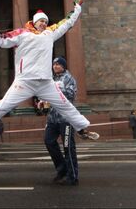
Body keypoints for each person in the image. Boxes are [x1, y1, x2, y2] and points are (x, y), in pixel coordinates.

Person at [0, 0, 99, 143]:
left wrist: (77, 9)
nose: (44, 24)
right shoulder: (22, 34)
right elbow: (1, 41)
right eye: (41, 21)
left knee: (65, 105)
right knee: (1, 107)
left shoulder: (50, 34)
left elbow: (67, 23)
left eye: (45, 21)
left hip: (46, 82)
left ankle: (82, 130)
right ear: (34, 22)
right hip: (24, 82)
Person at [44, 57, 80, 186]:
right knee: (48, 141)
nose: (55, 66)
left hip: (66, 119)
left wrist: (56, 90)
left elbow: (71, 94)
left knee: (68, 147)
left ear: (64, 66)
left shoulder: (69, 78)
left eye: (58, 64)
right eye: (54, 64)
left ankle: (72, 175)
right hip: (52, 119)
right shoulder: (51, 79)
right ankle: (62, 168)